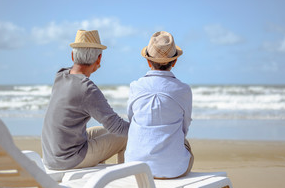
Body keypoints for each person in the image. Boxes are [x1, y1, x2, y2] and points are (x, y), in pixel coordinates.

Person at [42, 29, 129, 170]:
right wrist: (144, 131)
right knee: (124, 136)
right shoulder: (86, 88)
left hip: (51, 154)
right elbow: (116, 126)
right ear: (99, 59)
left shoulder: (61, 75)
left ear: (72, 56)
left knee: (101, 130)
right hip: (68, 159)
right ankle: (129, 179)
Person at [124, 31, 193, 179]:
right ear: (174, 62)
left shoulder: (135, 86)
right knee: (185, 144)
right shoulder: (183, 89)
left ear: (148, 62)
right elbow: (184, 127)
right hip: (173, 169)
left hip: (134, 167)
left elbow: (131, 121)